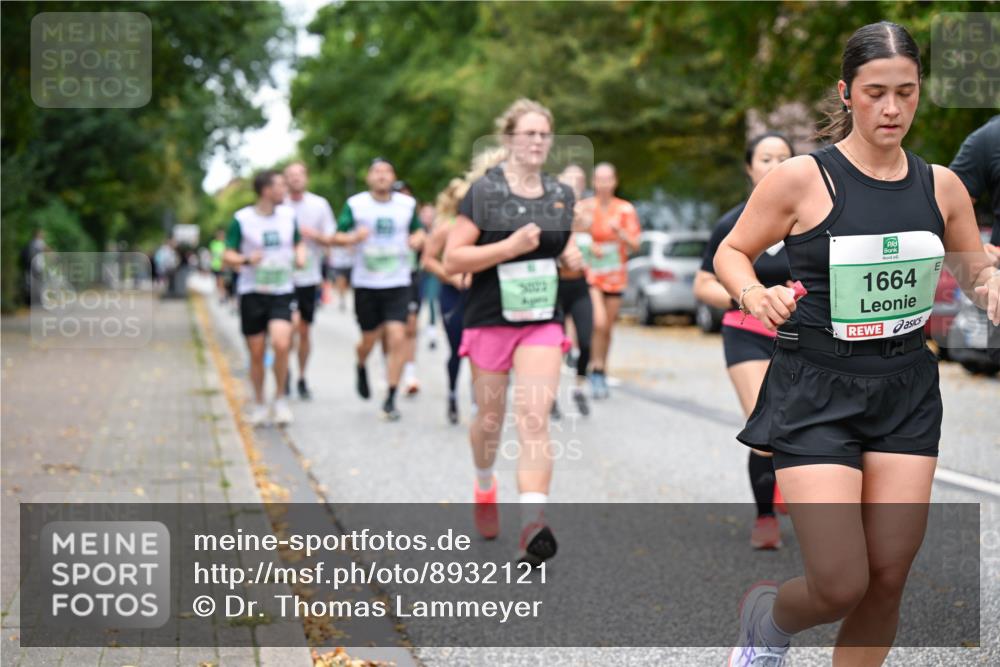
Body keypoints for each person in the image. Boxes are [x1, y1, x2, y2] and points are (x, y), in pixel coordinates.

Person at [714, 22, 1000, 667]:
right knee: (841, 583)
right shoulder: (800, 179)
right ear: (847, 92)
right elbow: (734, 251)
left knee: (889, 577)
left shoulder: (941, 188)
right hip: (815, 389)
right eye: (876, 92)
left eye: (906, 91)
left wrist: (989, 285)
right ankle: (768, 620)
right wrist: (753, 295)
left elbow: (971, 268)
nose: (892, 108)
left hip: (905, 391)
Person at [444, 98, 583, 565]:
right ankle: (485, 483)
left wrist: (569, 260)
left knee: (533, 417)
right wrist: (506, 246)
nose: (539, 141)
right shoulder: (484, 193)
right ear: (509, 139)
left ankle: (532, 524)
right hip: (488, 319)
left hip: (541, 319)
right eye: (529, 133)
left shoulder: (560, 195)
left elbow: (562, 252)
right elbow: (453, 259)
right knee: (489, 420)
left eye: (545, 134)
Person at [695, 132, 794, 551]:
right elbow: (703, 285)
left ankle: (792, 486)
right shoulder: (731, 223)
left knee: (802, 426)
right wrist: (749, 297)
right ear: (750, 168)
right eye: (766, 158)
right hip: (746, 334)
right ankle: (765, 517)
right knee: (765, 423)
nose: (774, 165)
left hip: (798, 337)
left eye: (783, 158)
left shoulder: (809, 221)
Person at [334, 158, 425, 421]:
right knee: (369, 340)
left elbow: (419, 233)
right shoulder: (356, 205)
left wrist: (417, 239)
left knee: (398, 335)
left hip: (397, 281)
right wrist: (353, 237)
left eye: (387, 171)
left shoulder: (406, 205)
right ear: (369, 178)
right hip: (366, 283)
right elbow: (337, 235)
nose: (382, 176)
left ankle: (390, 397)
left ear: (393, 176)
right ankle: (361, 363)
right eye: (376, 172)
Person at [224, 170, 306, 427]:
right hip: (252, 292)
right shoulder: (242, 220)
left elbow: (298, 242)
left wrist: (300, 255)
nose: (285, 190)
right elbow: (228, 255)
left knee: (282, 344)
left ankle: (280, 399)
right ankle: (259, 403)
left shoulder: (288, 216)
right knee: (257, 352)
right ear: (266, 190)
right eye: (280, 186)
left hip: (282, 290)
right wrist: (247, 260)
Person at [577, 162, 641, 399]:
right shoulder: (584, 207)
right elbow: (573, 235)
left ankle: (600, 369)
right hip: (591, 274)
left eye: (607, 179)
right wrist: (589, 242)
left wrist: (620, 233)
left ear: (615, 182)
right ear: (594, 182)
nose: (603, 184)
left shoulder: (625, 210)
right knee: (599, 323)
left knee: (608, 329)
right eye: (599, 179)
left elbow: (635, 244)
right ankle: (593, 366)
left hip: (615, 275)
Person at [284, 161, 337, 400]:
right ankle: (283, 371)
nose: (295, 178)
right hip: (281, 280)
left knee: (304, 331)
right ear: (284, 180)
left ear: (306, 178)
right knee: (288, 328)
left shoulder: (319, 205)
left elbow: (332, 238)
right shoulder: (279, 205)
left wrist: (313, 235)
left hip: (308, 277)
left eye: (299, 174)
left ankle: (302, 376)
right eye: (291, 175)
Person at [550, 164, 594, 418]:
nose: (574, 186)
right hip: (555, 286)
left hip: (579, 286)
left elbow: (591, 234)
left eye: (578, 181)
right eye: (569, 181)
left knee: (586, 340)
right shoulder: (552, 210)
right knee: (554, 345)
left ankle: (579, 388)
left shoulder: (585, 212)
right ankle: (552, 396)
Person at [209, 229, 228, 304]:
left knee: (221, 282)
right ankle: (221, 296)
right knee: (217, 283)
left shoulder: (225, 244)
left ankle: (223, 297)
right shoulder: (213, 243)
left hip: (222, 266)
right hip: (215, 266)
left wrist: (224, 265)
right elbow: (211, 255)